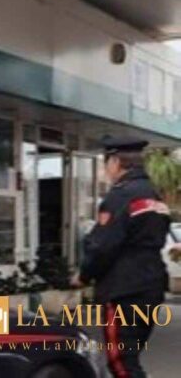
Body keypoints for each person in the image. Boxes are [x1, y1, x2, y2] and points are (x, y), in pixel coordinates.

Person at [71, 136, 169, 378]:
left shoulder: (120, 196)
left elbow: (102, 246)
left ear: (115, 162)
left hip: (124, 289)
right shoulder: (154, 195)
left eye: (106, 164)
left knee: (121, 362)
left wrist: (83, 276)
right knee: (130, 356)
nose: (106, 171)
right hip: (152, 285)